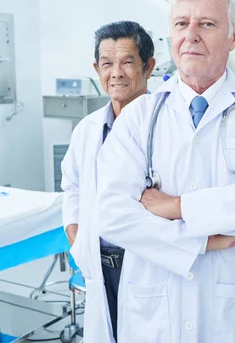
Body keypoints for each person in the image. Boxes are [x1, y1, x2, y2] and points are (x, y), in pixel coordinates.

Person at [97, 0, 235, 343]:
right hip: (155, 314)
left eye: (206, 24)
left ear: (234, 36)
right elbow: (111, 214)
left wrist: (176, 206)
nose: (190, 34)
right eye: (181, 23)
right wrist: (201, 241)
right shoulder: (140, 116)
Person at [61, 20, 156, 343]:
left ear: (149, 67)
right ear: (96, 68)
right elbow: (71, 187)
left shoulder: (167, 126)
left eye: (128, 62)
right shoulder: (87, 129)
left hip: (149, 262)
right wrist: (77, 240)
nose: (116, 73)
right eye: (107, 63)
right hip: (99, 264)